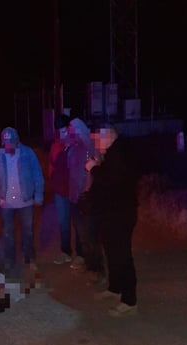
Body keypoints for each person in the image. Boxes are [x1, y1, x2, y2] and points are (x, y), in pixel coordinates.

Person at [86, 127, 139, 317]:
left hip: (120, 215)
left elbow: (111, 181)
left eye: (98, 141)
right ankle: (115, 288)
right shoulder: (114, 153)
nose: (97, 145)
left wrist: (94, 168)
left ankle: (129, 300)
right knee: (111, 252)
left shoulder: (118, 155)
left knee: (121, 255)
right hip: (112, 214)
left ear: (108, 139)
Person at [0, 127, 44, 276]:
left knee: (28, 232)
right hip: (6, 203)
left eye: (11, 142)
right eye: (5, 143)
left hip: (26, 201)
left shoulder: (27, 153)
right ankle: (10, 260)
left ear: (17, 140)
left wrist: (39, 195)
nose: (8, 146)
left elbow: (37, 175)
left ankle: (29, 257)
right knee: (8, 233)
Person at [63, 117, 95, 270]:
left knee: (87, 229)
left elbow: (91, 172)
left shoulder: (89, 147)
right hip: (74, 195)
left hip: (85, 195)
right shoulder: (72, 147)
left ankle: (91, 261)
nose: (70, 134)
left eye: (72, 131)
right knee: (78, 228)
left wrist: (87, 192)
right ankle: (81, 257)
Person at [49, 114, 77, 265]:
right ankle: (65, 252)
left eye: (65, 130)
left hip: (75, 191)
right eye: (60, 131)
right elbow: (51, 167)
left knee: (79, 225)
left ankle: (82, 255)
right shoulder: (56, 146)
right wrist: (54, 183)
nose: (62, 133)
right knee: (63, 223)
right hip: (60, 191)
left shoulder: (77, 145)